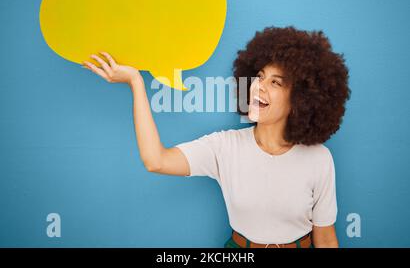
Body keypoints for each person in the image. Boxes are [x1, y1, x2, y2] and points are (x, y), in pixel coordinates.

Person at [82, 26, 351, 248]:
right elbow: (156, 160)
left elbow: (325, 237)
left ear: (300, 100)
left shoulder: (318, 158)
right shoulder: (224, 146)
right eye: (259, 77)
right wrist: (135, 83)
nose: (259, 86)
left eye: (276, 82)